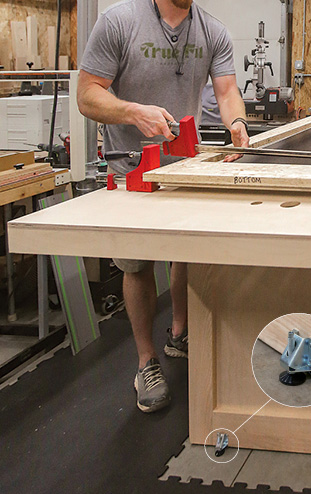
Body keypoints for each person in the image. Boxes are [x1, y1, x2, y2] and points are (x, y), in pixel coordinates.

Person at [77, 0, 249, 413]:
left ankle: (180, 334)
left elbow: (227, 91)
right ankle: (145, 362)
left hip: (183, 167)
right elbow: (86, 95)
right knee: (138, 266)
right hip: (132, 169)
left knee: (183, 252)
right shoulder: (119, 22)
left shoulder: (213, 31)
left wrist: (238, 125)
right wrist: (133, 112)